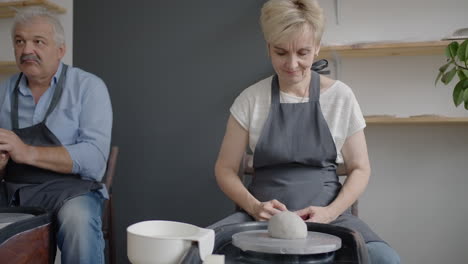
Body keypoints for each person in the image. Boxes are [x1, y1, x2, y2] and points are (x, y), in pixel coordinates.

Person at [212, 0, 400, 263]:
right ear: (268, 48)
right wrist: (255, 207)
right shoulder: (251, 99)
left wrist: (330, 212)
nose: (292, 64)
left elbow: (360, 168)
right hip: (261, 218)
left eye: (303, 52)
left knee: (385, 259)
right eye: (281, 52)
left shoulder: (340, 97)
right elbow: (225, 168)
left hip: (329, 215)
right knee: (201, 250)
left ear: (317, 48)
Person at [0, 7, 112, 264]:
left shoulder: (88, 87)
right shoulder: (4, 91)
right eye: (19, 41)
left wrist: (26, 151)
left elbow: (95, 160)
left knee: (79, 223)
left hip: (71, 190)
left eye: (38, 41)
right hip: (15, 190)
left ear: (60, 50)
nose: (27, 49)